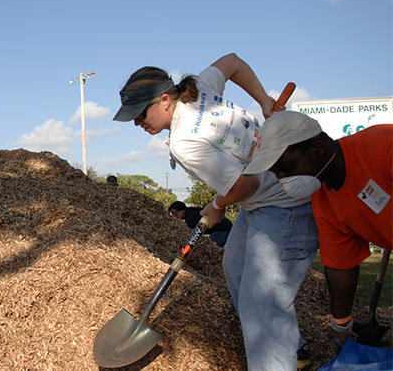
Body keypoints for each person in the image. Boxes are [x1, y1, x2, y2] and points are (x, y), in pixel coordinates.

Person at [113, 53, 318, 370]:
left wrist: (218, 206)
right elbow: (233, 61)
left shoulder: (183, 141)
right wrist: (263, 100)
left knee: (259, 301)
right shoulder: (200, 87)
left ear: (165, 99)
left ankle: (274, 359)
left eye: (140, 114)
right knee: (234, 265)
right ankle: (291, 346)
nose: (138, 123)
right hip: (263, 197)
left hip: (283, 203)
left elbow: (244, 187)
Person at [244, 111, 392, 354]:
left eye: (286, 167)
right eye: (276, 172)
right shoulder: (324, 202)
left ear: (317, 147)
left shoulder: (382, 145)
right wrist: (341, 323)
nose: (281, 178)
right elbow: (340, 264)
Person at [168, 201, 232, 247]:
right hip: (223, 227)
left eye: (174, 213)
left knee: (211, 249)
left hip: (222, 229)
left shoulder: (191, 218)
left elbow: (193, 236)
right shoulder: (190, 211)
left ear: (182, 211)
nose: (174, 216)